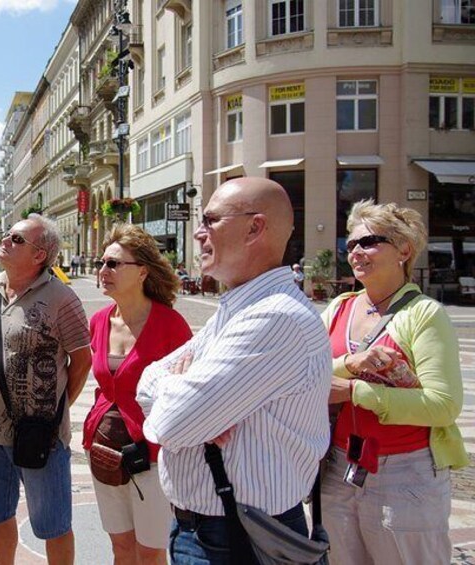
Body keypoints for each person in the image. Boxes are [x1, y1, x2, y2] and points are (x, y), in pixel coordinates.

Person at [137, 178, 331, 564]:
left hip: (241, 535)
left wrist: (180, 400)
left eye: (210, 220)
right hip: (210, 529)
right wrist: (179, 387)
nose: (198, 232)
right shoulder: (239, 308)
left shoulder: (273, 317)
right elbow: (147, 379)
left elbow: (173, 424)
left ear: (255, 228)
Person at [321, 200, 466, 565]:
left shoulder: (423, 314)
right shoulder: (340, 307)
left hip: (404, 473)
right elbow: (304, 372)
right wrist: (349, 365)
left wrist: (357, 392)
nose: (355, 252)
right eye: (350, 244)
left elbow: (443, 405)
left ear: (404, 249)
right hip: (339, 467)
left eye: (369, 242)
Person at [0, 214, 92, 565]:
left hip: (43, 434)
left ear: (40, 255)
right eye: (7, 235)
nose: (5, 240)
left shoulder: (61, 298)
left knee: (53, 523)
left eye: (17, 239)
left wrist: (57, 408)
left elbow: (82, 360)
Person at [84, 224, 192, 564]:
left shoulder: (170, 325)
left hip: (152, 455)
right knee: (121, 548)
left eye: (114, 264)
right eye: (102, 263)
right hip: (103, 449)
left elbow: (188, 394)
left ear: (142, 271)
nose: (104, 271)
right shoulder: (99, 321)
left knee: (150, 552)